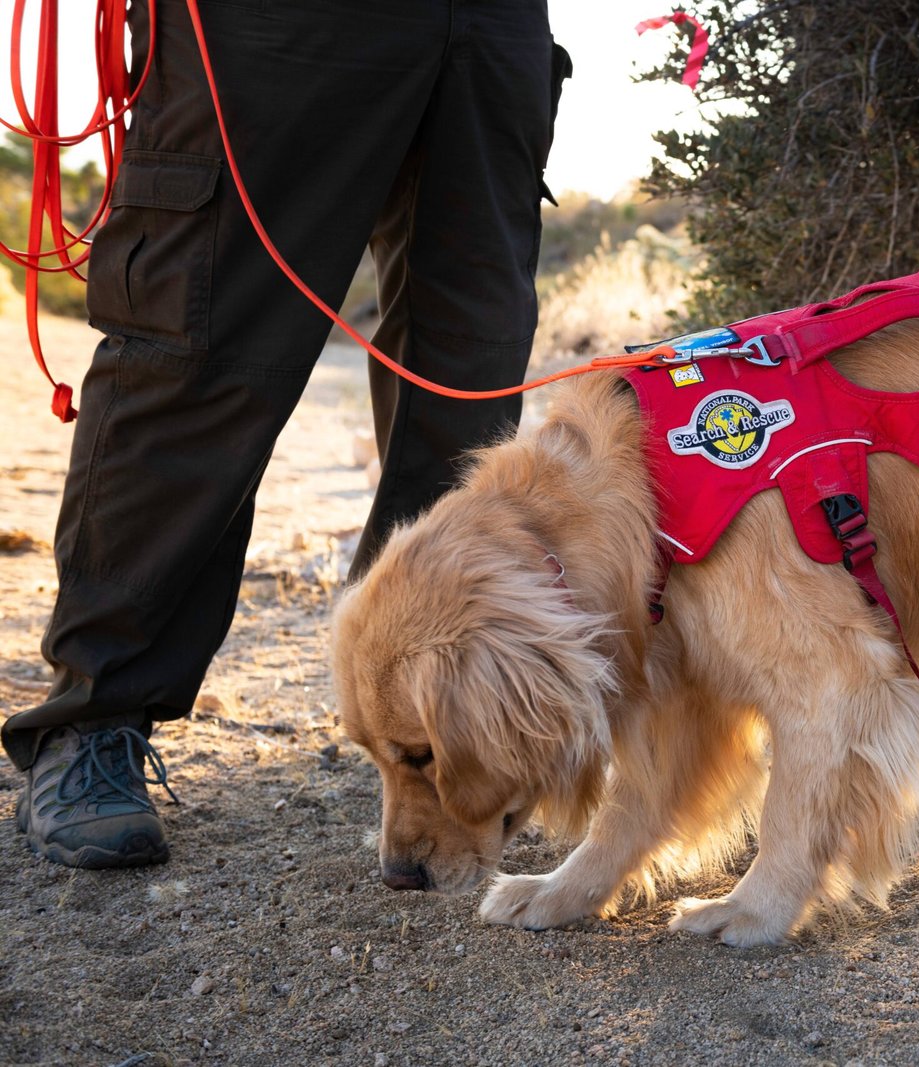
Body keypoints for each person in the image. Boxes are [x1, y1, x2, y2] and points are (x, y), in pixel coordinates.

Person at [4, 0, 570, 869]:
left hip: (490, 23)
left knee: (471, 375)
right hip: (270, 25)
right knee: (198, 347)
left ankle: (437, 730)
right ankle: (93, 717)